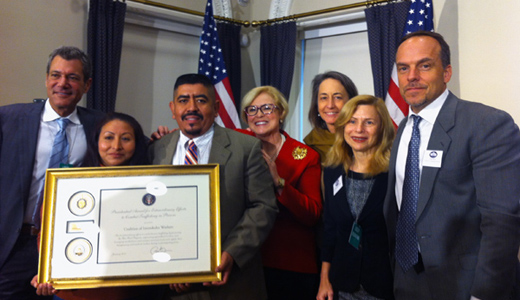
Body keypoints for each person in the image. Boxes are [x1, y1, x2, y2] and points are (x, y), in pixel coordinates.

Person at [385, 31, 520, 300]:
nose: (412, 76)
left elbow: (502, 222)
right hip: (408, 281)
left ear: (446, 72)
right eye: (403, 68)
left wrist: (484, 294)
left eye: (424, 65)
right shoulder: (402, 129)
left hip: (466, 285)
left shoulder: (486, 124)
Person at [149, 73, 278, 300]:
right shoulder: (155, 150)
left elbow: (263, 207)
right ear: (172, 108)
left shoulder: (246, 147)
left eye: (201, 100)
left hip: (231, 284)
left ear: (216, 107)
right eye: (183, 101)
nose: (191, 108)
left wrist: (231, 253)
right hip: (171, 286)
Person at [0, 46, 105, 300]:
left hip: (67, 246)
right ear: (46, 79)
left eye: (73, 77)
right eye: (56, 75)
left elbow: (133, 147)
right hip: (13, 244)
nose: (63, 83)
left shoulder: (101, 125)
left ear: (87, 84)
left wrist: (161, 139)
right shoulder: (8, 118)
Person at [32, 112, 155, 300]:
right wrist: (47, 272)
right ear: (96, 141)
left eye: (126, 139)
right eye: (108, 138)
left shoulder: (151, 188)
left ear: (137, 144)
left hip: (127, 291)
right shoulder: (68, 183)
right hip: (73, 292)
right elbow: (47, 234)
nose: (116, 146)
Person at [237, 86, 322, 300]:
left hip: (290, 264)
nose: (259, 115)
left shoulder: (305, 156)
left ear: (281, 112)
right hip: (246, 260)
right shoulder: (236, 143)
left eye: (267, 108)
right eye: (252, 109)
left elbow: (312, 214)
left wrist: (279, 183)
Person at [317, 95, 395, 300]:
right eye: (352, 121)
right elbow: (330, 228)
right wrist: (324, 278)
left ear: (382, 129)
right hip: (341, 285)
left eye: (369, 122)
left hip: (384, 287)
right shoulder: (332, 170)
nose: (359, 129)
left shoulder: (395, 173)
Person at [304, 71, 358, 162]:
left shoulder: (363, 140)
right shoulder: (310, 146)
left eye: (337, 97)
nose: (330, 105)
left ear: (351, 101)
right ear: (316, 104)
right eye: (324, 98)